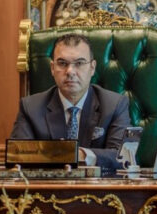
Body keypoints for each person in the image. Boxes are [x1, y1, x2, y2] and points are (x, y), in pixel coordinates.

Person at [10, 33, 130, 169]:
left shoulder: (114, 105)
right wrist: (69, 154)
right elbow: (18, 155)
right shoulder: (30, 107)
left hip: (98, 182)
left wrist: (81, 155)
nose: (70, 71)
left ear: (92, 68)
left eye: (79, 63)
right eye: (62, 63)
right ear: (52, 68)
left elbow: (123, 158)